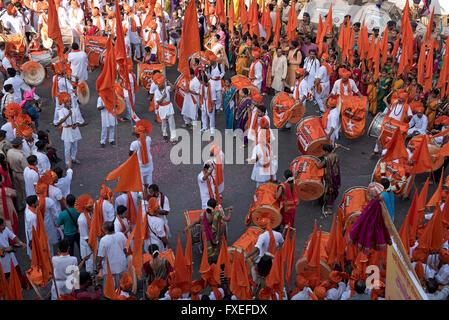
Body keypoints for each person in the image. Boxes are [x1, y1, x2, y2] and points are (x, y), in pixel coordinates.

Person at [184, 198, 233, 263]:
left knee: (208, 250)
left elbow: (194, 222)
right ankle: (219, 261)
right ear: (215, 206)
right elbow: (227, 219)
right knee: (217, 246)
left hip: (206, 236)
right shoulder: (218, 213)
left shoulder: (202, 215)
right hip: (215, 235)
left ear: (207, 205)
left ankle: (208, 263)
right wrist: (230, 211)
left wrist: (186, 228)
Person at [56, 92, 87, 166]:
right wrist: (68, 115)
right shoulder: (61, 111)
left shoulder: (74, 110)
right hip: (67, 130)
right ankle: (67, 162)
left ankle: (73, 158)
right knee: (67, 148)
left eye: (70, 102)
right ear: (64, 103)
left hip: (74, 129)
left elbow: (78, 120)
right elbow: (60, 121)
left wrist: (77, 124)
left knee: (75, 146)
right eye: (67, 102)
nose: (69, 104)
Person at [97, 221, 128, 289]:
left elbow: (101, 256)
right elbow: (125, 248)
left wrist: (99, 264)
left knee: (110, 283)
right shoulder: (121, 235)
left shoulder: (103, 240)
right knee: (122, 281)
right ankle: (122, 292)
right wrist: (125, 256)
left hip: (110, 265)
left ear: (106, 230)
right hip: (121, 262)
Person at [248, 118, 276, 187]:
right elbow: (254, 160)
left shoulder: (268, 147)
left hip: (267, 172)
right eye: (267, 137)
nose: (269, 138)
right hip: (260, 173)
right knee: (260, 189)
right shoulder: (257, 148)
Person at [152, 73, 177, 144]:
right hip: (162, 108)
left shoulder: (167, 88)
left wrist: (168, 82)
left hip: (169, 107)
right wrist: (163, 97)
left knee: (172, 123)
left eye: (161, 84)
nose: (160, 85)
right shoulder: (156, 92)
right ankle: (165, 136)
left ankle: (173, 138)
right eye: (158, 84)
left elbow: (173, 88)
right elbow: (158, 102)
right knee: (164, 124)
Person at [317, 144, 341, 216]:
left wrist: (315, 162)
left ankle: (329, 210)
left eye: (324, 151)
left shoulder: (326, 159)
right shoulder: (335, 155)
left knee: (329, 192)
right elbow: (331, 154)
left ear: (326, 151)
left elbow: (319, 166)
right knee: (333, 190)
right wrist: (336, 148)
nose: (324, 152)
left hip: (329, 177)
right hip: (336, 176)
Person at [0, 217, 27, 282]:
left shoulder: (5, 229)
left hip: (10, 255)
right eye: (2, 225)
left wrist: (20, 243)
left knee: (17, 271)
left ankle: (21, 285)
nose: (4, 226)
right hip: (2, 259)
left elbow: (13, 236)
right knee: (5, 277)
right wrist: (5, 250)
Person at [130, 120, 154, 190]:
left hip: (140, 165)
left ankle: (142, 195)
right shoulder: (148, 139)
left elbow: (130, 153)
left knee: (141, 182)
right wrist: (136, 134)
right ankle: (150, 193)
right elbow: (143, 137)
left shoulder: (134, 144)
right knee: (149, 180)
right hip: (149, 163)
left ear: (137, 135)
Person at [7, 137, 27, 212]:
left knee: (17, 190)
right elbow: (25, 167)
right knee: (24, 190)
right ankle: (25, 204)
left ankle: (19, 206)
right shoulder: (21, 155)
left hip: (13, 172)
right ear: (19, 145)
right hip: (21, 173)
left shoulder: (9, 151)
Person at [76, 194, 94, 273]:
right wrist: (92, 246)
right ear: (85, 207)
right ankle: (90, 277)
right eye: (90, 207)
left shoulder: (90, 214)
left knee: (92, 260)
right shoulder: (82, 219)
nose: (92, 208)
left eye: (92, 206)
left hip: (91, 241)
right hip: (87, 244)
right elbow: (85, 237)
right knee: (89, 262)